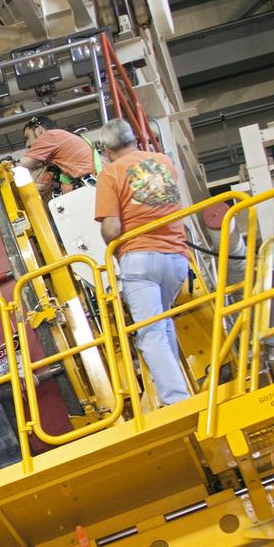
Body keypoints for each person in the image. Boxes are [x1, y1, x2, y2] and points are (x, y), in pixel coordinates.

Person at [93, 118, 191, 405]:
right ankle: (180, 392)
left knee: (150, 334)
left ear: (108, 151)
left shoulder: (111, 174)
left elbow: (112, 229)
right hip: (176, 258)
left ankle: (177, 400)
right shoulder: (164, 162)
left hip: (140, 260)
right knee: (164, 322)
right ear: (134, 140)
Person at [19, 114, 101, 196]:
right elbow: (40, 187)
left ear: (38, 130)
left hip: (93, 193)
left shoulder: (50, 136)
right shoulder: (58, 159)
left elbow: (22, 165)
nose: (27, 144)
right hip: (94, 191)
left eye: (28, 137)